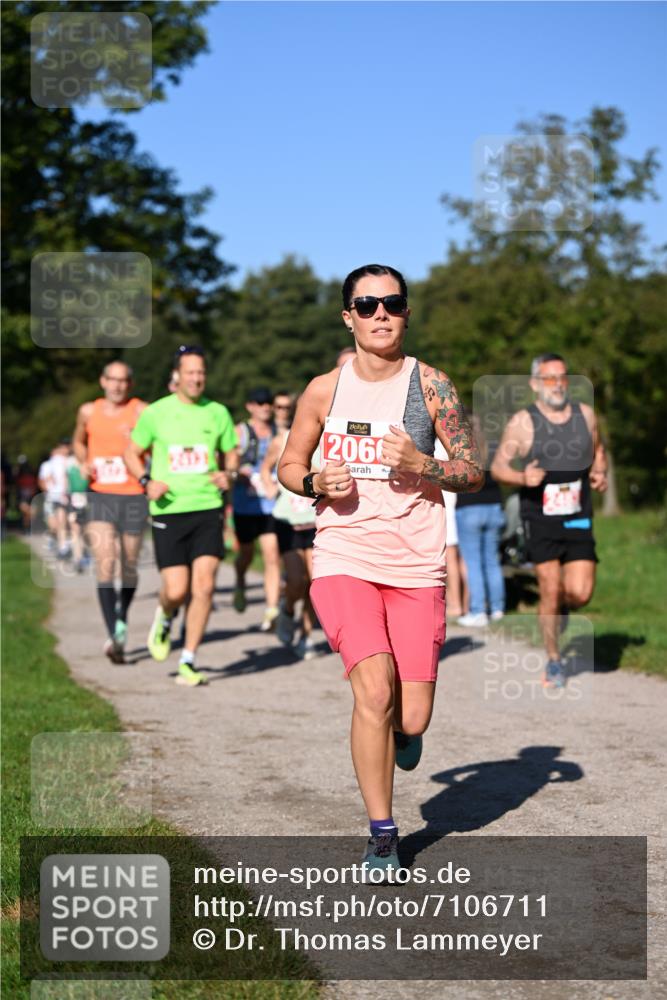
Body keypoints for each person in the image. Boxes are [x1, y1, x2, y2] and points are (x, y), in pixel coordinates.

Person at [278, 263, 483, 875]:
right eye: (366, 306)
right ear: (349, 317)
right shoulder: (325, 389)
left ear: (407, 313)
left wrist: (423, 463)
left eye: (391, 303)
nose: (380, 315)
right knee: (374, 691)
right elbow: (289, 465)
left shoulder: (432, 386)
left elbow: (472, 471)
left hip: (416, 566)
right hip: (344, 555)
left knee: (410, 715)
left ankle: (403, 731)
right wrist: (315, 482)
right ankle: (383, 834)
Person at [491, 353, 608, 687]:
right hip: (539, 517)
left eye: (562, 377)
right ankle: (554, 660)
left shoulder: (585, 415)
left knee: (581, 592)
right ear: (535, 384)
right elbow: (498, 467)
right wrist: (521, 477)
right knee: (549, 587)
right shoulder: (523, 422)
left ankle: (561, 608)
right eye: (549, 378)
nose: (557, 384)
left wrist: (600, 472)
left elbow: (598, 451)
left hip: (577, 515)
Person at [124, 345, 239, 687]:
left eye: (201, 372)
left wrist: (229, 474)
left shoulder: (217, 412)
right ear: (177, 375)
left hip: (207, 507)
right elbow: (131, 452)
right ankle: (165, 613)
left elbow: (231, 454)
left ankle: (188, 659)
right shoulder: (156, 413)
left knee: (204, 586)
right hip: (169, 510)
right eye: (190, 372)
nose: (196, 378)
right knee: (176, 590)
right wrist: (146, 481)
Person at [73, 362, 148, 664]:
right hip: (100, 493)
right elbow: (79, 442)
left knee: (129, 564)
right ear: (103, 381)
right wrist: (82, 461)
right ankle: (114, 635)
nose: (117, 386)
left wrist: (139, 446)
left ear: (130, 384)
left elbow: (155, 446)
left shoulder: (141, 411)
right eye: (112, 380)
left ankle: (121, 616)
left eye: (123, 381)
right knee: (106, 562)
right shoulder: (88, 411)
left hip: (133, 495)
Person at [260, 397, 319, 661]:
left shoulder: (328, 440)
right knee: (296, 580)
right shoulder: (281, 440)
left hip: (316, 519)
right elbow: (265, 468)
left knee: (315, 582)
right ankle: (286, 610)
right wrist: (269, 487)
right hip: (288, 520)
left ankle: (306, 637)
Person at [231, 387, 281, 631]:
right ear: (250, 406)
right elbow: (227, 461)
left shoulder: (277, 432)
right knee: (247, 555)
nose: (265, 407)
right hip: (245, 505)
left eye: (268, 403)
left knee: (272, 555)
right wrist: (236, 472)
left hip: (271, 505)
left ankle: (272, 609)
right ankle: (240, 578)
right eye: (260, 403)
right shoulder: (239, 432)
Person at [455, 415, 506, 627]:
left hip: (469, 508)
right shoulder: (494, 447)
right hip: (494, 507)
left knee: (473, 562)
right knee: (492, 561)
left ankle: (478, 611)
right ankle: (497, 609)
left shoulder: (461, 448)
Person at [38, 440, 72, 559]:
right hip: (51, 497)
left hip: (64, 498)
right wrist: (48, 491)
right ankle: (57, 541)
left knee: (63, 522)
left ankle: (64, 547)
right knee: (53, 525)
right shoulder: (47, 465)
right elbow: (42, 481)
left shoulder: (68, 462)